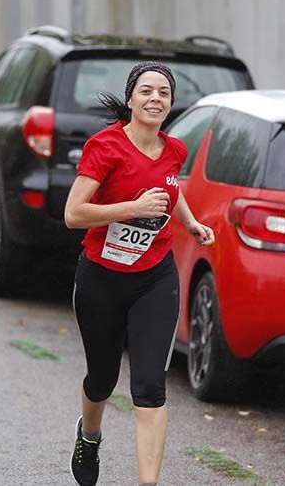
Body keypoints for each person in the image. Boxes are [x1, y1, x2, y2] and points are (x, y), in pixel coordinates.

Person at [64, 62, 215, 486]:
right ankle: (89, 434)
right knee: (102, 378)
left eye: (163, 93)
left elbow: (170, 188)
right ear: (130, 99)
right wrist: (132, 208)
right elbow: (74, 214)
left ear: (171, 103)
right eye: (146, 90)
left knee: (149, 386)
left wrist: (190, 221)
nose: (155, 98)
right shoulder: (104, 147)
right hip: (101, 277)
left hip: (154, 278)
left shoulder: (175, 149)